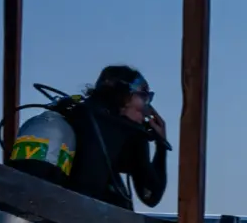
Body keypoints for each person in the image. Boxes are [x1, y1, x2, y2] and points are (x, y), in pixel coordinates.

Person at [55, 66, 170, 211]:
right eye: (144, 96)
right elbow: (151, 195)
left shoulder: (75, 116)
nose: (148, 107)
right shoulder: (130, 133)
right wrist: (161, 144)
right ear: (125, 96)